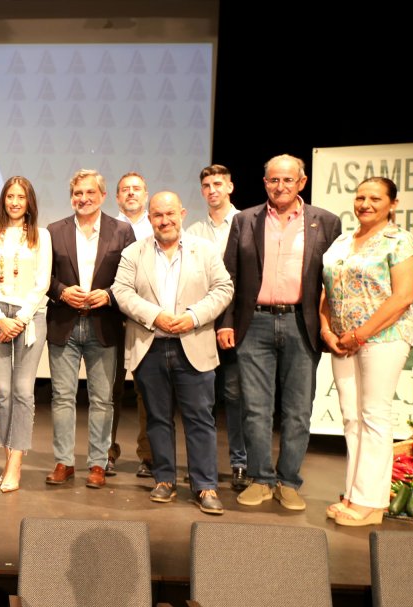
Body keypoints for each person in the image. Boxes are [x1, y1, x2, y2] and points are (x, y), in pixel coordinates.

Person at [221, 154, 342, 511]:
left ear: (301, 183)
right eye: (274, 180)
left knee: (298, 410)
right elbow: (230, 277)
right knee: (255, 409)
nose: (280, 186)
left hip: (300, 324)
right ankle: (261, 479)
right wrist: (226, 321)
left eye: (288, 180)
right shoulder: (245, 220)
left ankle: (289, 481)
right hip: (253, 322)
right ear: (265, 183)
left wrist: (328, 326)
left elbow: (331, 282)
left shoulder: (326, 222)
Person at [113, 191, 234, 514]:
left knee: (200, 419)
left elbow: (224, 288)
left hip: (193, 343)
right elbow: (121, 291)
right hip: (149, 345)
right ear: (149, 218)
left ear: (182, 213)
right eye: (157, 215)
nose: (164, 221)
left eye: (170, 214)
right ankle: (164, 479)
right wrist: (155, 316)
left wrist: (193, 316)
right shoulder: (133, 252)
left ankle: (205, 485)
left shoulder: (204, 250)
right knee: (157, 418)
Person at [321, 177, 413, 527]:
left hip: (383, 338)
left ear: (392, 204)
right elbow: (326, 289)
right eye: (360, 197)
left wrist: (360, 335)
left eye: (375, 198)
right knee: (351, 416)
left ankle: (371, 502)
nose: (365, 204)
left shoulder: (402, 241)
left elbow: (403, 297)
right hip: (341, 340)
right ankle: (353, 493)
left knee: (374, 416)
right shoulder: (342, 241)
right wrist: (326, 329)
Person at [45, 170, 135, 489]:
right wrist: (60, 292)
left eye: (89, 193)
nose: (83, 198)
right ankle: (64, 462)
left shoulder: (122, 231)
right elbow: (45, 277)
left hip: (104, 324)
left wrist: (109, 294)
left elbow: (131, 277)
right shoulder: (53, 231)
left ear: (103, 195)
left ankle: (97, 463)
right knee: (62, 397)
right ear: (71, 197)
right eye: (78, 193)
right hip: (63, 324)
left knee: (102, 399)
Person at [0, 176, 52, 493]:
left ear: (29, 201)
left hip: (30, 318)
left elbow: (43, 281)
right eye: (10, 196)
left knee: (23, 391)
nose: (16, 202)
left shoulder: (41, 236)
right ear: (3, 200)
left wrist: (19, 318)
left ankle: (16, 463)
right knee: (4, 393)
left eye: (21, 196)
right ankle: (9, 457)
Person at [185, 164, 249, 490]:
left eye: (218, 184)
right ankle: (201, 464)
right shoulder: (193, 232)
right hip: (200, 324)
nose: (212, 190)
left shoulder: (247, 224)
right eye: (207, 185)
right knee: (201, 399)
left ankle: (239, 463)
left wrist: (229, 322)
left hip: (236, 325)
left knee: (236, 395)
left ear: (230, 187)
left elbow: (244, 281)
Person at [111, 171, 154, 476]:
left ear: (146, 194)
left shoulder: (160, 225)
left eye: (136, 189)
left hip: (148, 319)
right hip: (112, 317)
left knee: (147, 391)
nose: (131, 193)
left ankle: (148, 455)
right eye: (125, 190)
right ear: (117, 197)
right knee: (109, 389)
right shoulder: (107, 227)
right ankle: (106, 453)